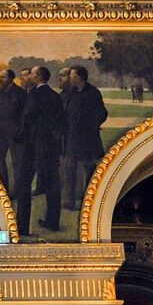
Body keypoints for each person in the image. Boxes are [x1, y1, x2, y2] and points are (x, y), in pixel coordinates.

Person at [16, 66, 64, 236]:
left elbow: (27, 119)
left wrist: (18, 136)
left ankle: (22, 227)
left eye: (32, 74)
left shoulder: (34, 95)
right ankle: (53, 222)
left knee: (23, 184)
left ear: (38, 77)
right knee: (52, 184)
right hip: (50, 146)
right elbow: (61, 122)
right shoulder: (55, 96)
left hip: (32, 145)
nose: (29, 76)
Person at [62, 65, 107, 211]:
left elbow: (102, 114)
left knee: (89, 169)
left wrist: (92, 126)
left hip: (87, 139)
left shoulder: (93, 93)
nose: (69, 78)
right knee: (70, 170)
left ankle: (88, 200)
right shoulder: (70, 92)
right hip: (72, 138)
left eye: (72, 75)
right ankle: (70, 200)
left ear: (80, 77)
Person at [0, 69, 25, 192]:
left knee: (17, 162)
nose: (0, 80)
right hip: (1, 131)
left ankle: (18, 190)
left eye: (3, 77)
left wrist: (19, 130)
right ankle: (2, 188)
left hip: (15, 132)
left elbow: (24, 114)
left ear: (11, 78)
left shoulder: (20, 93)